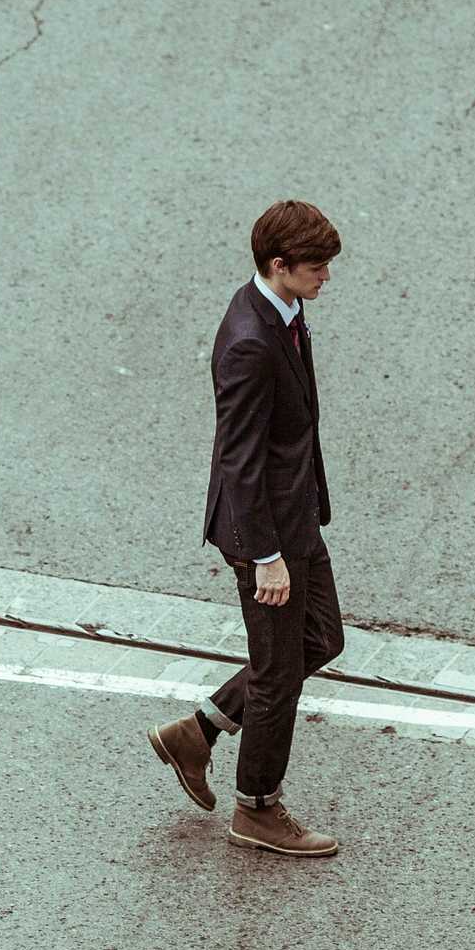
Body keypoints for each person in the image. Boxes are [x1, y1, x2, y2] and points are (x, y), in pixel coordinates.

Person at [148, 199, 345, 857]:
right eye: (316, 268)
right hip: (267, 537)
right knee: (278, 675)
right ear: (278, 265)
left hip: (296, 517)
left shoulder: (283, 312)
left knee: (320, 639)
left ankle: (197, 732)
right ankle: (257, 809)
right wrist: (265, 556)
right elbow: (239, 457)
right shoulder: (251, 342)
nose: (325, 278)